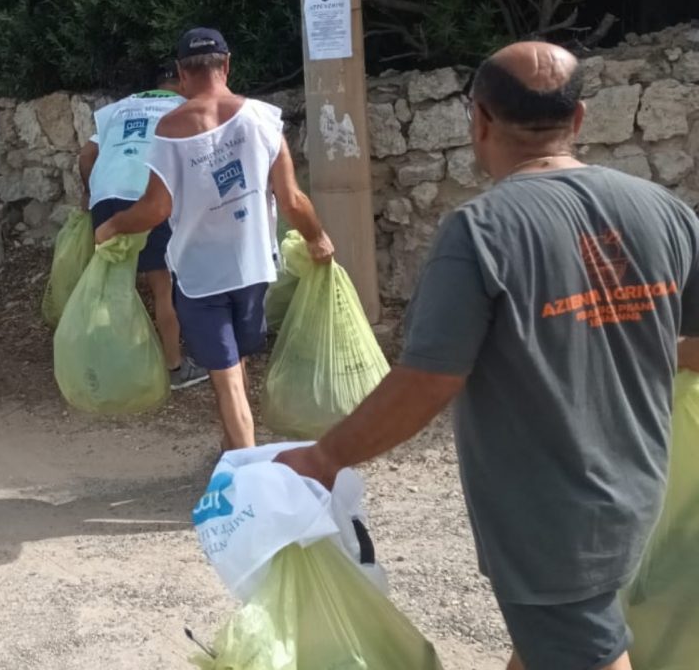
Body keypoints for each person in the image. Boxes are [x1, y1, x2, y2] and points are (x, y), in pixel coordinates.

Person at [275, 43, 699, 670]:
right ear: (579, 118)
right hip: (639, 492)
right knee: (546, 647)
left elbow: (428, 380)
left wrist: (325, 455)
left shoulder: (480, 231)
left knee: (586, 652)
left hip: (552, 524)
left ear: (478, 120)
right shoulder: (666, 212)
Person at [92, 27, 335, 451]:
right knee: (235, 367)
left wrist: (113, 226)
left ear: (183, 75)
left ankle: (247, 475)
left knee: (228, 383)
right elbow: (293, 199)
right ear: (226, 65)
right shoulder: (264, 118)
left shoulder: (170, 127)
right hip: (254, 267)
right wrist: (316, 237)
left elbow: (155, 209)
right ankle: (231, 452)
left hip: (201, 275)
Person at [77, 66, 192, 385]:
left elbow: (86, 156)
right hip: (146, 193)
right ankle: (175, 367)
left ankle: (112, 366)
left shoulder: (122, 106)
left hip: (105, 194)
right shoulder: (182, 106)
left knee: (113, 282)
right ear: (182, 84)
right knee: (162, 284)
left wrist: (89, 192)